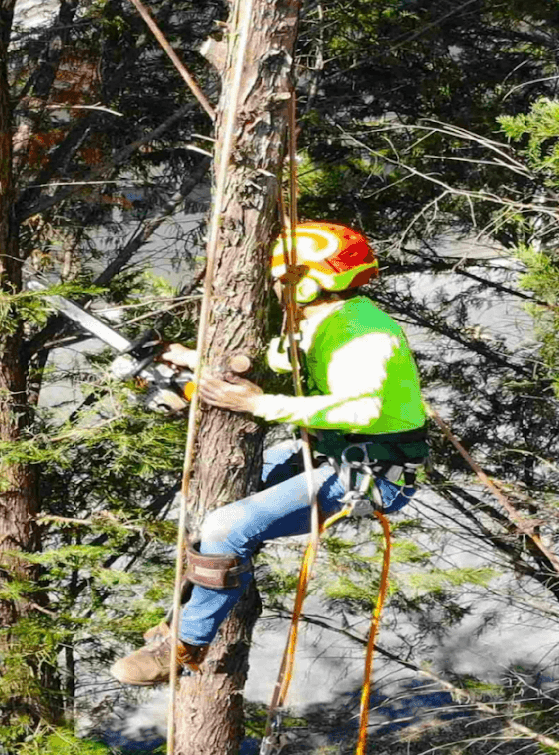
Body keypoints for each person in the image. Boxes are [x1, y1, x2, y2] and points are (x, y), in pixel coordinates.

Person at [110, 222, 430, 687]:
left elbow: (363, 406)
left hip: (370, 471)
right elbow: (281, 360)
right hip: (333, 453)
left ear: (308, 279)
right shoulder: (327, 321)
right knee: (214, 506)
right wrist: (191, 358)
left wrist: (255, 404)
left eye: (283, 278)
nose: (278, 288)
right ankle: (193, 604)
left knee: (228, 526)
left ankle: (183, 646)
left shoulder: (364, 334)